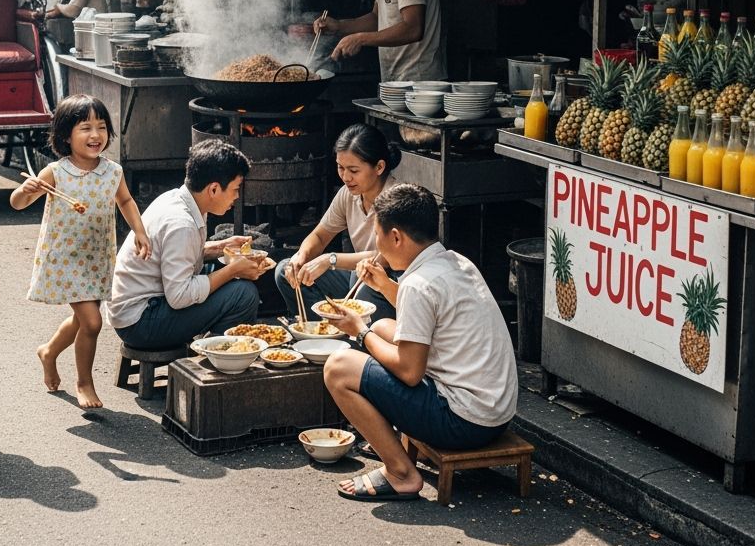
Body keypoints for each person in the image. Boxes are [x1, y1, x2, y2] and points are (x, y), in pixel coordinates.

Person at [323, 183, 517, 502]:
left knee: (339, 367)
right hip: (495, 414)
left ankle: (400, 472)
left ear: (396, 236)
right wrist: (385, 287)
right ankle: (401, 444)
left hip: (463, 422)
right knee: (384, 324)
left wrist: (359, 331)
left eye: (378, 235)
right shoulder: (455, 261)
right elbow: (429, 313)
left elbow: (410, 372)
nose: (376, 244)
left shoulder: (417, 283)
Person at [9, 94, 152, 409]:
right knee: (91, 321)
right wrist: (24, 190)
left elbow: (125, 201)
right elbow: (17, 204)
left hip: (96, 256)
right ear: (65, 135)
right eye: (85, 127)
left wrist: (139, 231)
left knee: (81, 319)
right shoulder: (55, 172)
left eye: (101, 127)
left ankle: (48, 351)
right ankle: (84, 382)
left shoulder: (112, 171)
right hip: (65, 258)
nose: (95, 135)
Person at [108, 139, 268, 350]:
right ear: (213, 189)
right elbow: (179, 296)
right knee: (243, 293)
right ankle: (219, 358)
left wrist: (221, 247)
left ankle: (211, 344)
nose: (237, 196)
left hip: (142, 307)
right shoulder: (181, 224)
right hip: (141, 322)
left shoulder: (179, 198)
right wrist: (232, 271)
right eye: (236, 189)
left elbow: (177, 255)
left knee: (223, 273)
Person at [275, 124, 401, 322]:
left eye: (353, 170)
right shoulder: (347, 194)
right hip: (357, 278)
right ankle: (321, 332)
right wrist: (301, 257)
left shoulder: (396, 197)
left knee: (364, 286)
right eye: (340, 168)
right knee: (285, 271)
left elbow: (383, 258)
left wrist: (330, 260)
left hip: (387, 285)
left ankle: (352, 336)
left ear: (379, 167)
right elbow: (320, 235)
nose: (345, 177)